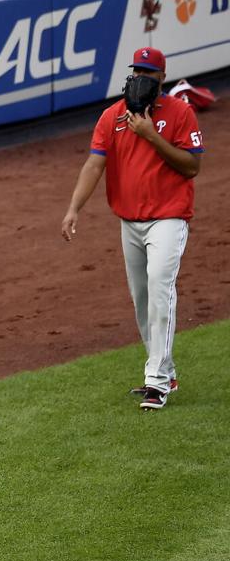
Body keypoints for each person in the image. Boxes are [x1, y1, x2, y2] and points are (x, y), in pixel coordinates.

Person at [61, 47, 203, 410]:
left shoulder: (180, 112)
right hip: (130, 222)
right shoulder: (113, 116)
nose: (140, 77)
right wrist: (74, 208)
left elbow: (191, 167)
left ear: (161, 79)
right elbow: (94, 165)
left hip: (168, 218)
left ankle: (155, 382)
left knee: (160, 288)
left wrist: (151, 135)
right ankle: (165, 370)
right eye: (136, 70)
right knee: (142, 301)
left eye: (147, 73)